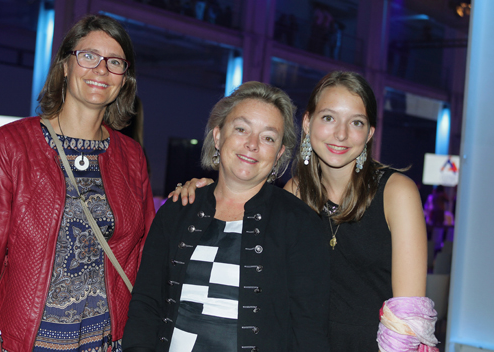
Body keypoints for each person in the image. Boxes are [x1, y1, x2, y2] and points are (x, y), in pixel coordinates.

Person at [170, 71, 439, 351]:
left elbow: (407, 317)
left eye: (356, 122)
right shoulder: (294, 193)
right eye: (329, 118)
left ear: (369, 133)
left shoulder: (397, 192)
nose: (341, 133)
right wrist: (201, 190)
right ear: (308, 123)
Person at [0, 14, 155, 352]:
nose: (101, 69)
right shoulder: (10, 145)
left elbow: (146, 252)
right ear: (65, 65)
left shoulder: (132, 157)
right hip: (29, 342)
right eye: (88, 56)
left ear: (124, 79)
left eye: (115, 62)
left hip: (109, 343)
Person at [123, 82, 330, 352]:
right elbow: (146, 304)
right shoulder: (177, 210)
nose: (252, 145)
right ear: (218, 136)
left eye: (268, 137)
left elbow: (310, 332)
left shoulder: (301, 225)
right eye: (241, 129)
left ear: (279, 153)